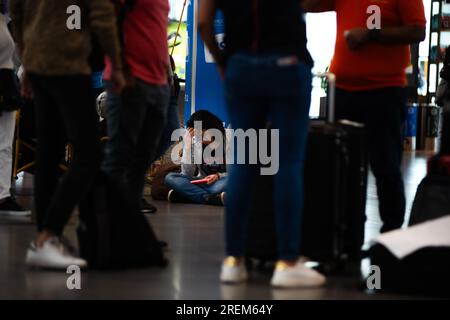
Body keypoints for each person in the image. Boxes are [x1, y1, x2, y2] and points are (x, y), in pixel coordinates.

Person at [199, 0, 326, 287]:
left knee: (243, 162)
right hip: (287, 62)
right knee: (288, 163)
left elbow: (203, 22)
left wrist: (225, 62)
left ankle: (233, 261)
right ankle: (287, 262)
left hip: (241, 66)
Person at [10, 0, 125, 269]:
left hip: (38, 62)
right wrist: (116, 64)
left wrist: (26, 57)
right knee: (88, 154)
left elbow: (17, 8)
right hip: (68, 62)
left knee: (48, 153)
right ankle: (48, 234)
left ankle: (45, 241)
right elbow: (101, 13)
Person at [302, 0, 426, 233]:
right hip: (343, 90)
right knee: (342, 166)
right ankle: (347, 237)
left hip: (385, 90)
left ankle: (391, 235)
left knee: (385, 164)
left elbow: (418, 30)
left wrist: (372, 34)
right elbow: (307, 4)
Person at [101, 0, 171, 217]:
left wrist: (167, 74)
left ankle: (131, 233)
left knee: (141, 162)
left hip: (158, 83)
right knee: (120, 159)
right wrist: (119, 66)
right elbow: (106, 20)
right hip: (130, 80)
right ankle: (107, 236)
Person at [0, 2, 29, 216]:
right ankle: (2, 195)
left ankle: (2, 194)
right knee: (3, 143)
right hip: (4, 78)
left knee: (5, 143)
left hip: (6, 80)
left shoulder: (5, 19)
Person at [165, 110, 227, 206]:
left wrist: (218, 176)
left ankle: (189, 196)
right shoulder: (196, 142)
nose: (199, 139)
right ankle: (211, 199)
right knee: (170, 178)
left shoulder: (229, 141)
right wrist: (188, 147)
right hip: (203, 182)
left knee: (226, 184)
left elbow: (235, 174)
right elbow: (187, 173)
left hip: (220, 181)